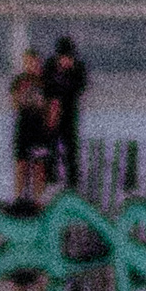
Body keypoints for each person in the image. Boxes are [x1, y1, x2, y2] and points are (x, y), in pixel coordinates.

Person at [41, 32, 87, 189]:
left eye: (69, 56)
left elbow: (80, 87)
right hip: (52, 113)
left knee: (71, 149)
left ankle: (73, 184)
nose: (66, 60)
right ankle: (49, 181)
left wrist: (69, 72)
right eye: (63, 56)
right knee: (50, 147)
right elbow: (45, 87)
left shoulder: (78, 67)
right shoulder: (49, 66)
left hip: (69, 112)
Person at [7, 50, 52, 208]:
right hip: (23, 125)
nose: (32, 65)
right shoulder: (19, 81)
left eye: (35, 62)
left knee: (39, 165)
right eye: (29, 62)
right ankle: (19, 198)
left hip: (39, 127)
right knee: (21, 163)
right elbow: (15, 103)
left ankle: (38, 200)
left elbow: (49, 106)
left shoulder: (45, 81)